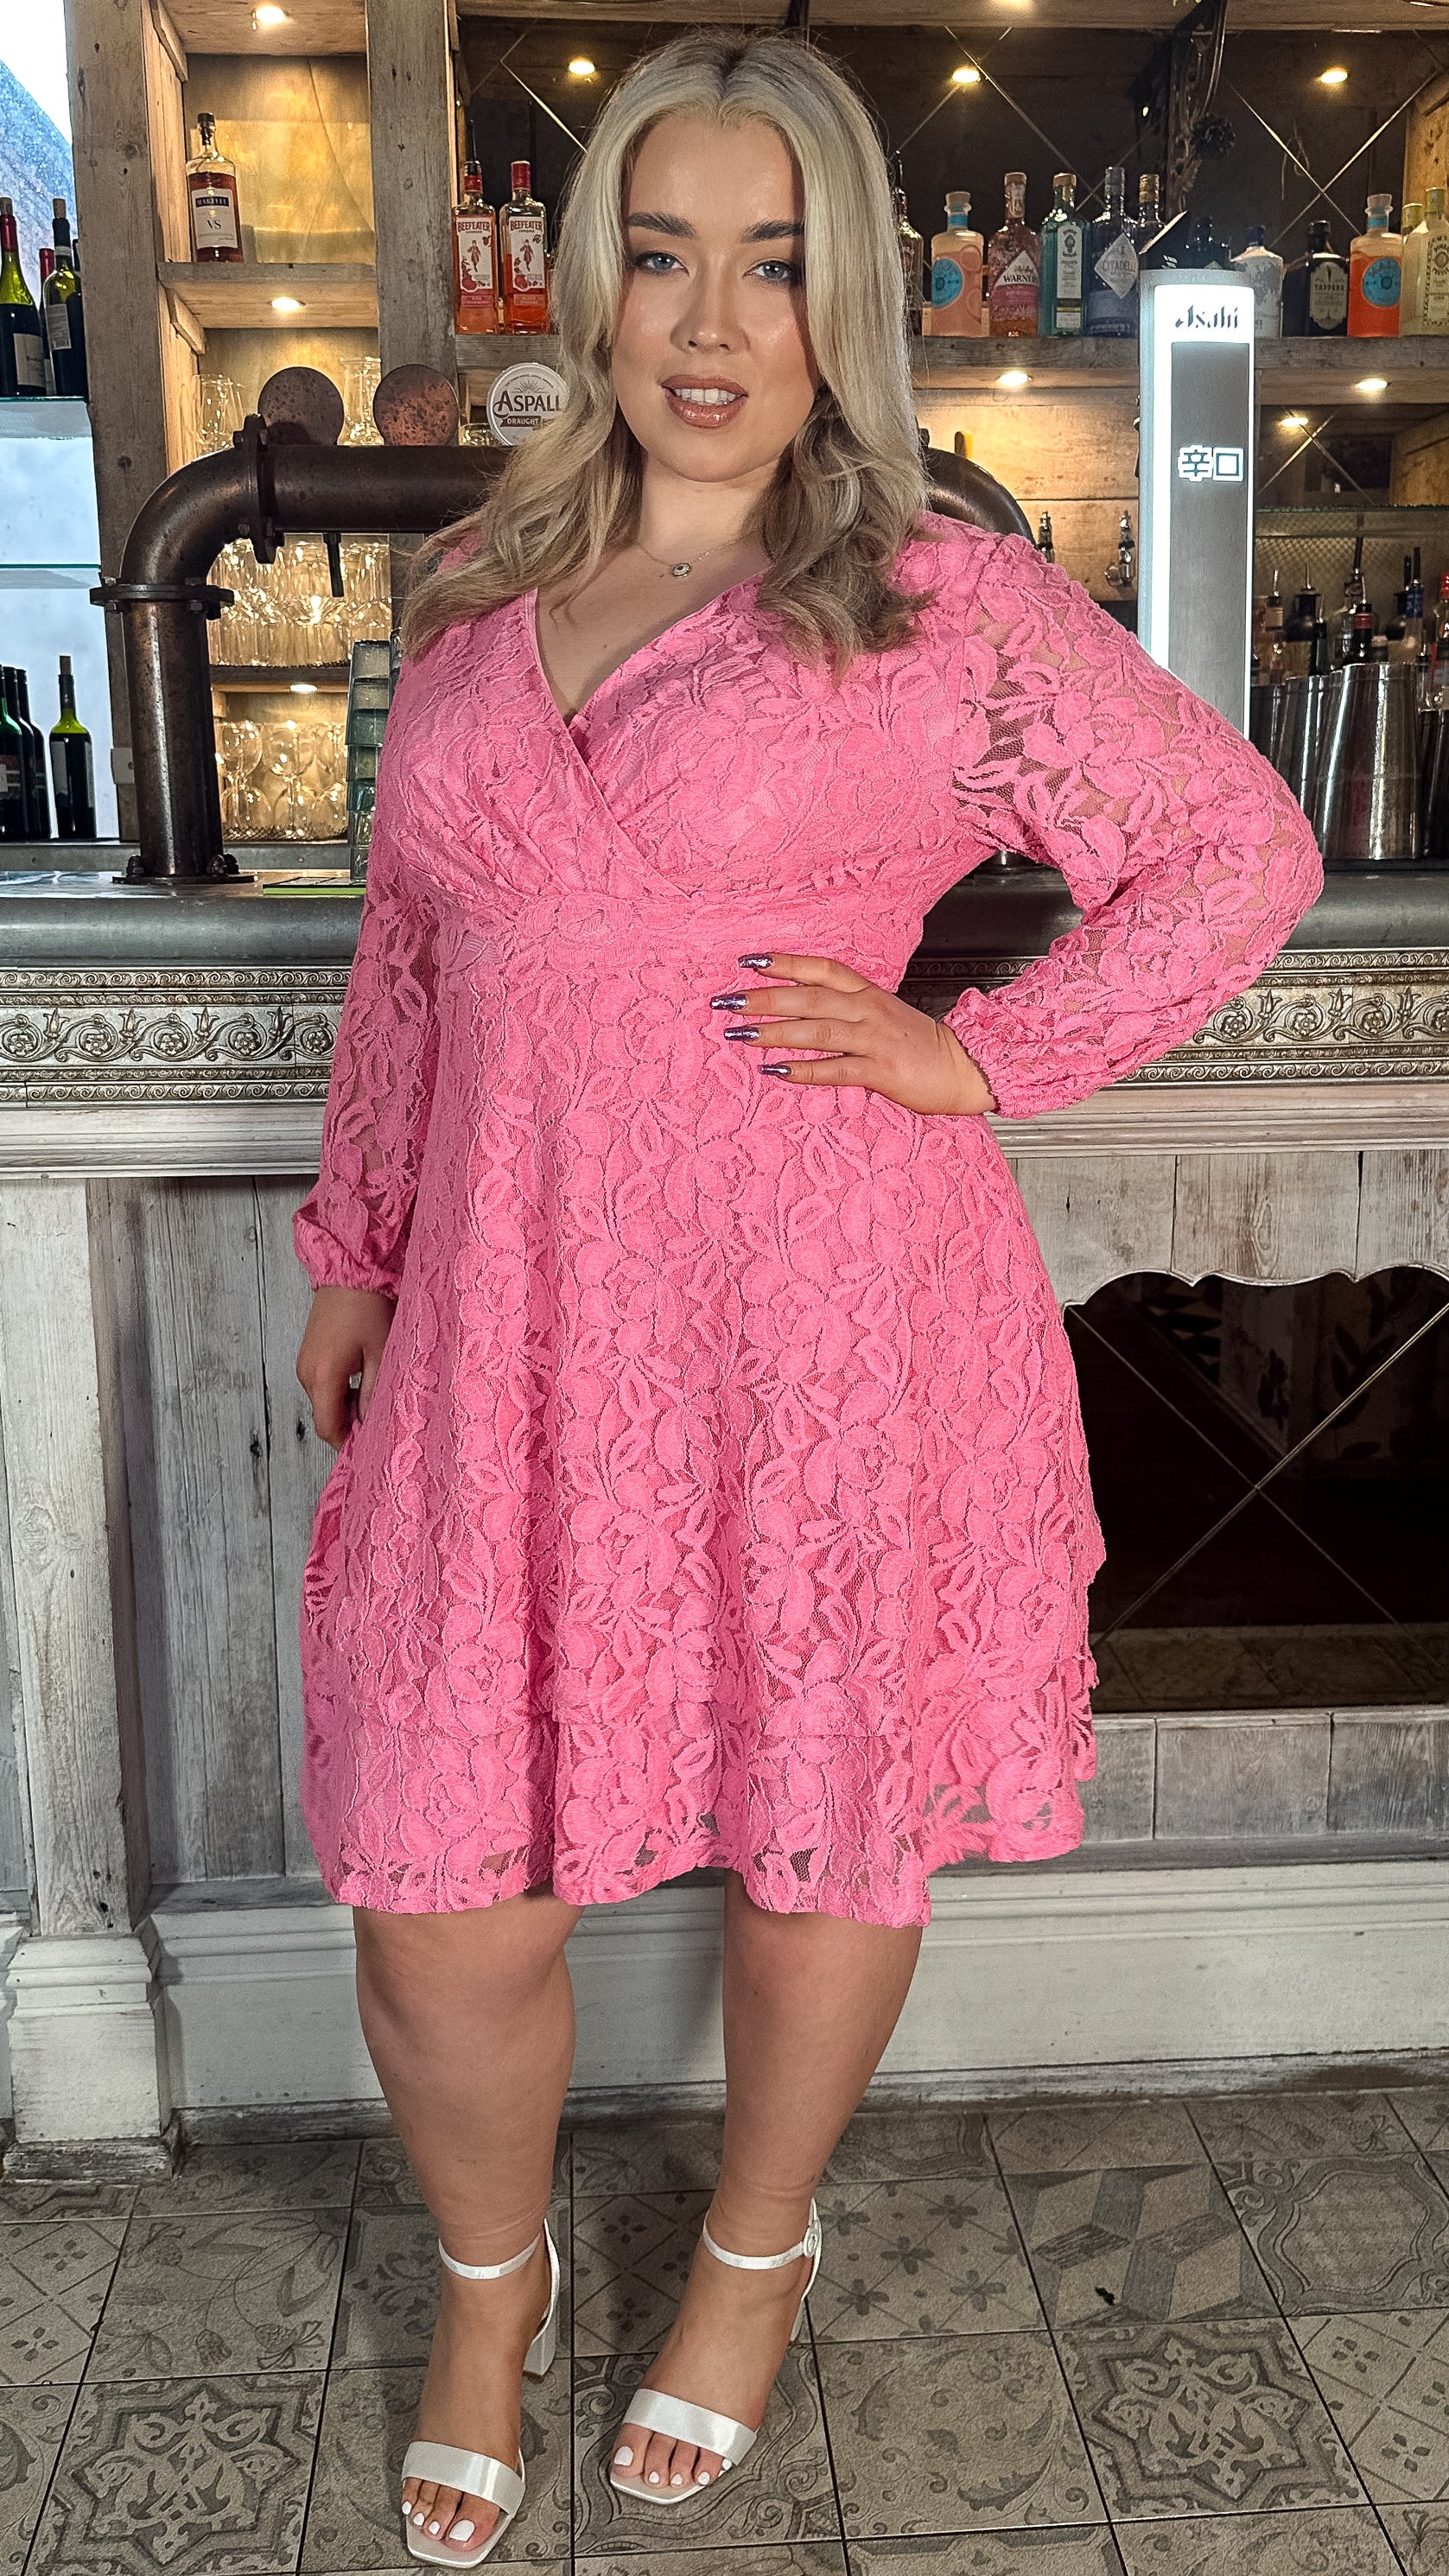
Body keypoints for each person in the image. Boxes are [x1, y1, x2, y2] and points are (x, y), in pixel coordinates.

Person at [291, 29, 1322, 2567]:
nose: (711, 321)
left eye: (774, 263)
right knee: (438, 1891)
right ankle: (490, 2287)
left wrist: (986, 1058)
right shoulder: (480, 594)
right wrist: (359, 1243)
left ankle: (753, 2251)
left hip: (827, 1320)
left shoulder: (941, 600)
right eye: (662, 255)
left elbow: (1235, 849)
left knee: (824, 1816)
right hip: (514, 1320)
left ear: (846, 297)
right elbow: (412, 953)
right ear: (592, 287)